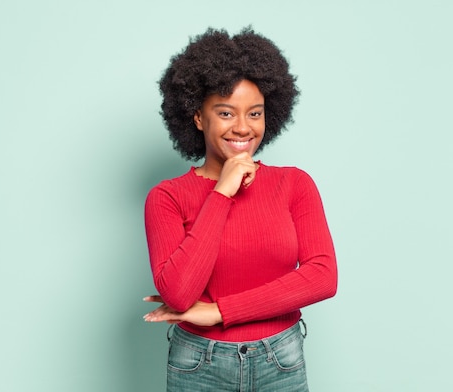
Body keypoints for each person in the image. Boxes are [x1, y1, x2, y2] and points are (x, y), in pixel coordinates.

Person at [142, 27, 338, 392]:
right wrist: (221, 193)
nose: (243, 128)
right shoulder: (167, 197)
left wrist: (219, 311)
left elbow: (323, 276)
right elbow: (180, 295)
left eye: (255, 113)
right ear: (198, 117)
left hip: (281, 359)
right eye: (226, 113)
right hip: (199, 363)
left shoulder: (294, 184)